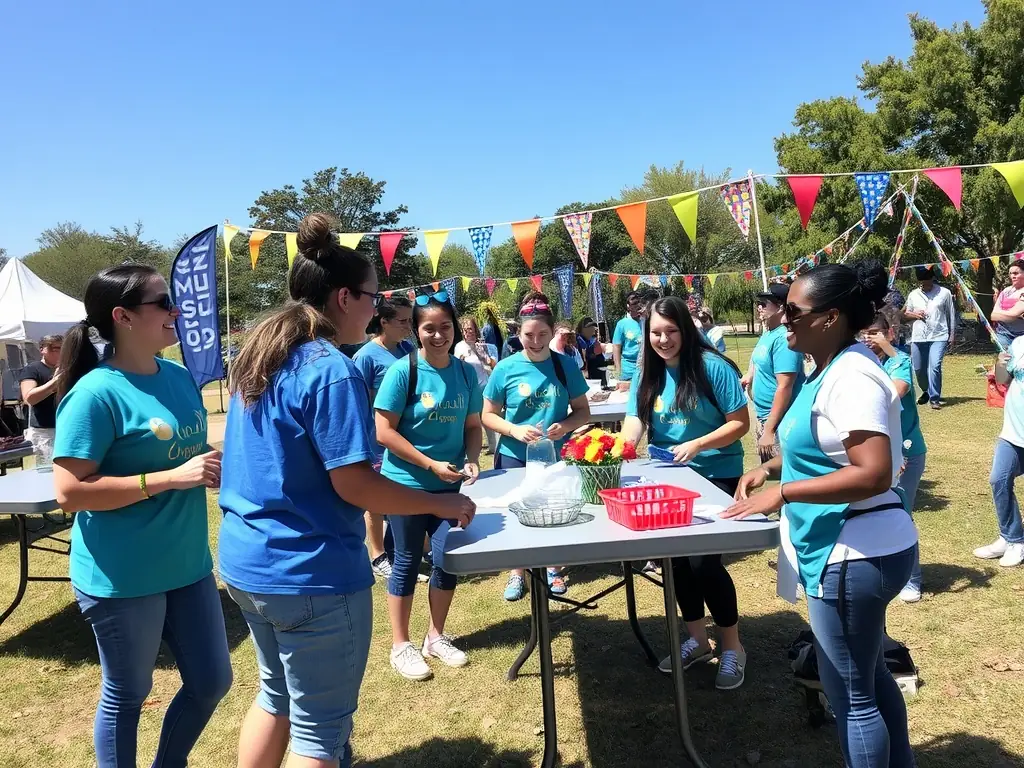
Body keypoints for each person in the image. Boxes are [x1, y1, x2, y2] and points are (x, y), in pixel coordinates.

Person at [218, 213, 476, 768]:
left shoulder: (258, 358)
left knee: (275, 697)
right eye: (373, 298)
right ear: (342, 298)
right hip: (310, 574)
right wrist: (438, 501)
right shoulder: (331, 369)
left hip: (247, 564)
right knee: (320, 732)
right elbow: (354, 482)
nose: (379, 310)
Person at [724, 260, 917, 768]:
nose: (782, 320)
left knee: (852, 695)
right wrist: (773, 467)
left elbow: (872, 471)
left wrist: (785, 494)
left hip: (857, 550)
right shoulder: (827, 369)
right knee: (870, 676)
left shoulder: (852, 375)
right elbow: (828, 443)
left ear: (830, 318)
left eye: (793, 312)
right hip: (859, 543)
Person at [51, 264, 231, 767]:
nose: (176, 311)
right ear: (122, 317)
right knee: (127, 694)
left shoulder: (177, 377)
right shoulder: (94, 393)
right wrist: (171, 479)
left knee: (212, 681)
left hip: (188, 566)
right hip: (122, 575)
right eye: (162, 303)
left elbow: (188, 453)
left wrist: (219, 464)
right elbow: (69, 492)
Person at [621, 296, 750, 690]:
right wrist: (622, 448)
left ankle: (733, 647)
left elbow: (740, 423)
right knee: (675, 564)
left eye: (671, 331)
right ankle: (697, 640)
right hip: (667, 479)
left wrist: (698, 445)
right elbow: (634, 421)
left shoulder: (714, 368)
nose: (663, 340)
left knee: (703, 564)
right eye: (656, 333)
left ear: (686, 330)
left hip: (715, 477)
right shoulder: (648, 373)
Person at [375, 291, 483, 680]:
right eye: (429, 328)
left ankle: (435, 636)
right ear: (415, 331)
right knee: (405, 560)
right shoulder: (403, 371)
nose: (438, 335)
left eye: (445, 327)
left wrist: (472, 458)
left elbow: (473, 426)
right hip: (404, 483)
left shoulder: (466, 373)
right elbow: (383, 432)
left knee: (447, 557)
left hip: (448, 486)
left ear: (454, 328)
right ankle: (400, 645)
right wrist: (429, 464)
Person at [482, 292, 591, 601]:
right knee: (518, 513)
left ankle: (555, 569)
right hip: (515, 456)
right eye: (529, 334)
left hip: (556, 457)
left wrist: (566, 426)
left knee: (558, 511)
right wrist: (515, 430)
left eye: (543, 334)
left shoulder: (564, 365)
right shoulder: (505, 368)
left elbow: (583, 411)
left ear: (553, 331)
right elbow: (487, 415)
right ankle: (518, 572)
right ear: (519, 333)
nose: (536, 340)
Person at [861, 312, 929, 602]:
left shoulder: (898, 360)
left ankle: (912, 580)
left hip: (907, 453)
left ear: (889, 333)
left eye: (874, 332)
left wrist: (887, 347)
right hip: (876, 452)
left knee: (902, 516)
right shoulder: (862, 363)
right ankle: (885, 572)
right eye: (863, 332)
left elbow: (895, 392)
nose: (868, 338)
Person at [353, 296, 414, 579]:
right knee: (376, 499)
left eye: (410, 319)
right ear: (384, 322)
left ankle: (413, 546)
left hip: (406, 437)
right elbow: (357, 401)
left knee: (406, 491)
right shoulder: (366, 356)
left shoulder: (408, 349)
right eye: (402, 321)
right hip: (376, 439)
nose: (408, 326)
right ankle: (378, 555)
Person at [973, 333, 1024, 568]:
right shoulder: (1019, 343)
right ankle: (1011, 538)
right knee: (999, 480)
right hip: (1012, 434)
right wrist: (1001, 363)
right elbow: (1003, 380)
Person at [743, 283, 804, 461]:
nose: (759, 306)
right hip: (764, 417)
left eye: (764, 302)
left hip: (779, 421)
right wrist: (749, 376)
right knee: (766, 473)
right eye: (759, 302)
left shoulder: (783, 339)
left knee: (782, 480)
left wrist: (769, 430)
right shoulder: (768, 332)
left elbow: (785, 386)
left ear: (781, 307)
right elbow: (756, 359)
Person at [903, 266, 957, 410]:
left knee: (934, 366)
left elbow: (951, 314)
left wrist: (952, 335)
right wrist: (914, 315)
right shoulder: (913, 294)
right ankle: (926, 391)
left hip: (939, 335)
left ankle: (935, 398)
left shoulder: (944, 293)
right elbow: (905, 315)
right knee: (918, 368)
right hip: (918, 336)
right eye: (921, 281)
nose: (924, 284)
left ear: (932, 278)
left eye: (926, 280)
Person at [455, 316, 499, 455]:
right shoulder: (460, 346)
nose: (470, 332)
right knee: (471, 420)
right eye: (467, 330)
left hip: (485, 386)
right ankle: (472, 448)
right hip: (468, 389)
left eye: (472, 329)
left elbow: (494, 365)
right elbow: (457, 366)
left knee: (488, 417)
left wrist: (483, 356)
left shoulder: (484, 346)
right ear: (462, 331)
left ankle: (494, 447)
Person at [18, 334, 63, 465]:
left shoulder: (66, 369)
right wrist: (55, 382)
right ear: (42, 349)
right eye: (56, 348)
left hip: (65, 427)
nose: (61, 352)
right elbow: (29, 398)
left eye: (63, 348)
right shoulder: (32, 369)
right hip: (44, 431)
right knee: (47, 472)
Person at [991, 259, 1024, 349]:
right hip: (1004, 334)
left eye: (1016, 273)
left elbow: (1013, 314)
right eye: (1010, 273)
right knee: (1005, 361)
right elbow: (993, 316)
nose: (1012, 276)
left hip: (1022, 336)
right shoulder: (1006, 291)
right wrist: (1014, 315)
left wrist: (1003, 313)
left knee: (1019, 362)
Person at [613, 291, 644, 387]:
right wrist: (618, 370)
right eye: (634, 303)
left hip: (646, 367)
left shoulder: (646, 320)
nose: (637, 306)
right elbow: (616, 347)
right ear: (628, 306)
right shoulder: (622, 323)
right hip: (628, 369)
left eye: (639, 303)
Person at [576, 317, 608, 382]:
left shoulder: (591, 338)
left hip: (598, 367)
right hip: (589, 369)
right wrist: (585, 371)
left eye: (592, 327)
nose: (592, 330)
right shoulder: (579, 339)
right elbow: (583, 353)